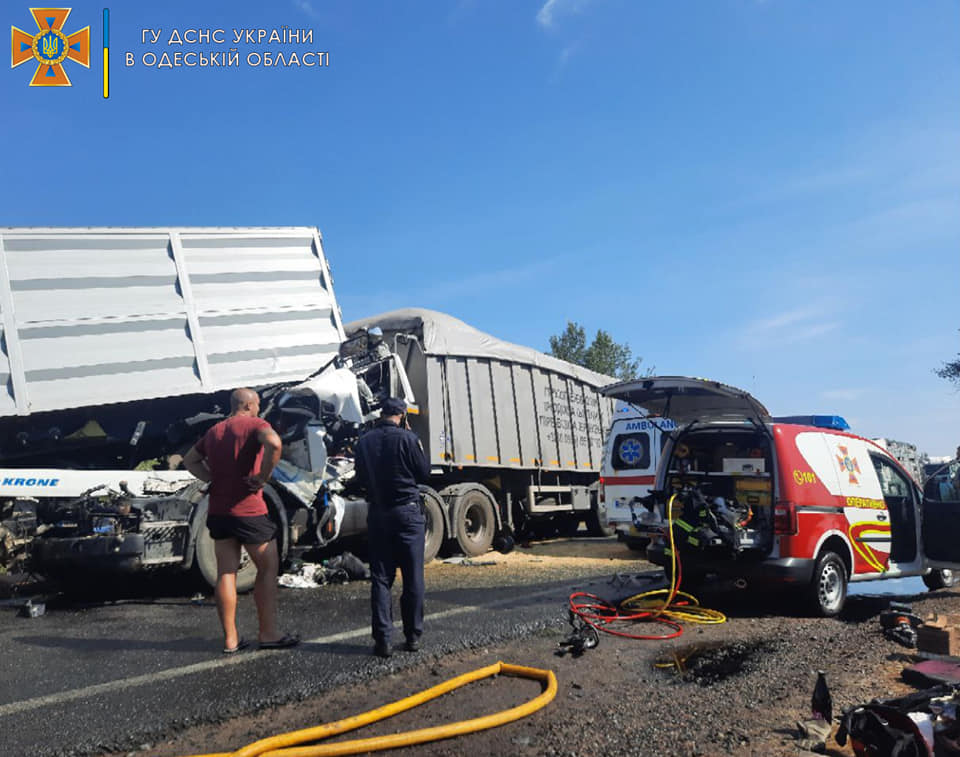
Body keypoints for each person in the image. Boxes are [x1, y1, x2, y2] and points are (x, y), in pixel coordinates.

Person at [183, 388, 299, 654]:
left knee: (226, 572)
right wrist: (262, 477)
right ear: (248, 405)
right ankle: (268, 633)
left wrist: (212, 478)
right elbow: (275, 443)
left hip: (218, 511)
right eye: (257, 404)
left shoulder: (215, 431)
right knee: (268, 568)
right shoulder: (256, 424)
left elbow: (191, 460)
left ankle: (231, 640)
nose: (259, 408)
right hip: (249, 511)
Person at [354, 397, 430, 657]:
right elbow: (423, 473)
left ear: (382, 414)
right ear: (402, 416)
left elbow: (359, 477)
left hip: (378, 514)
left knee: (381, 578)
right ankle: (413, 637)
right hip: (408, 513)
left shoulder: (364, 442)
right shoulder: (409, 439)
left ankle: (383, 640)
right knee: (413, 577)